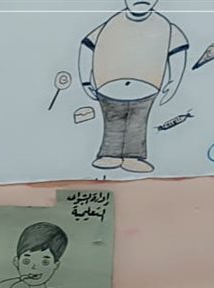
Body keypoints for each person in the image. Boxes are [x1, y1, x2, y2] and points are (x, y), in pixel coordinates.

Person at [78, 0, 188, 173]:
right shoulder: (112, 23)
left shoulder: (165, 27)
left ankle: (133, 157)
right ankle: (109, 154)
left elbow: (178, 51)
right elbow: (87, 46)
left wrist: (173, 82)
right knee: (113, 123)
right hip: (108, 88)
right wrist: (85, 81)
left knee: (137, 124)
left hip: (146, 88)